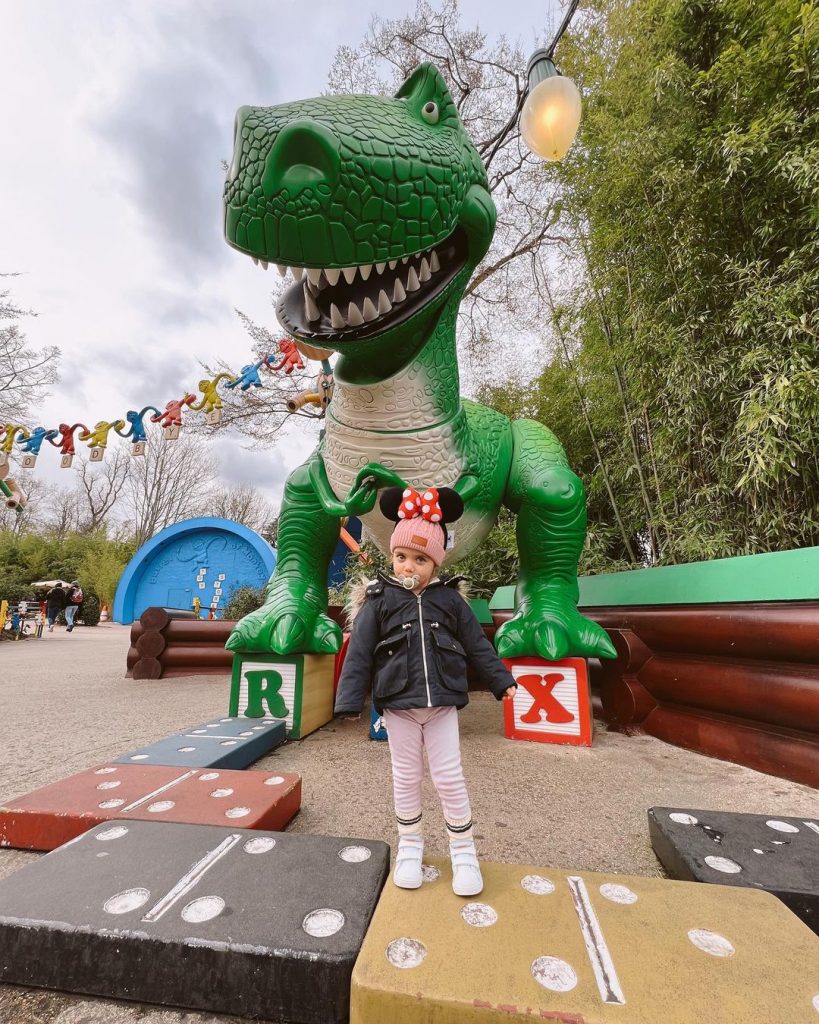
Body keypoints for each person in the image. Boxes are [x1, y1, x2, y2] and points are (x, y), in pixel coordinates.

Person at [334, 485, 517, 897]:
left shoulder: (450, 601)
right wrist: (348, 702)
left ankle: (463, 851)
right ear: (392, 557)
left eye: (420, 558)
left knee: (449, 778)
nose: (409, 566)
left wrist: (501, 681)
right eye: (402, 557)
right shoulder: (378, 600)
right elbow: (359, 652)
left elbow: (477, 645)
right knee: (406, 777)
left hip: (442, 706)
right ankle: (410, 847)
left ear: (436, 562)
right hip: (398, 706)